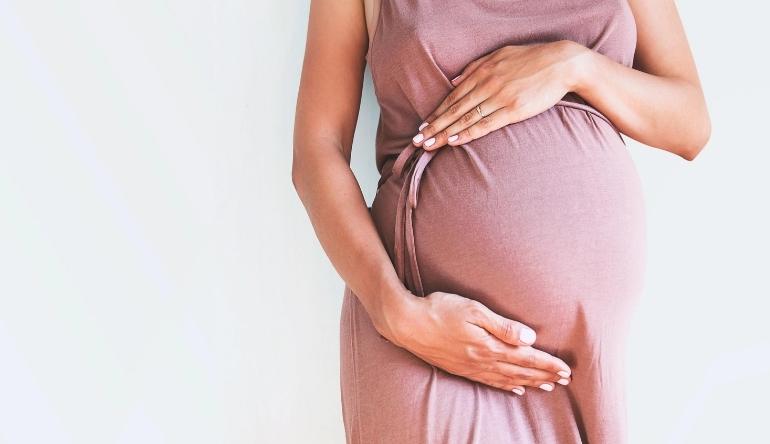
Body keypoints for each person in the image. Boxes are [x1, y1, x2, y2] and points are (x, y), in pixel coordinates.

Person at [292, 0, 710, 442]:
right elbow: (316, 151)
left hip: (583, 357)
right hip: (429, 333)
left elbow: (689, 124)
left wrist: (572, 65)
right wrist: (394, 311)